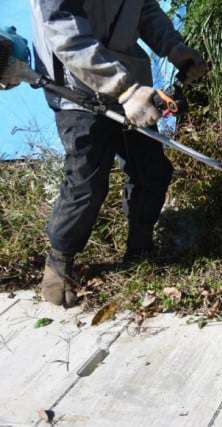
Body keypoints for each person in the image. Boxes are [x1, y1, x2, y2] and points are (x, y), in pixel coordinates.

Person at [30, 1, 206, 307]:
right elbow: (63, 30)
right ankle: (59, 262)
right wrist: (122, 88)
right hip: (77, 88)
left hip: (130, 80)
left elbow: (144, 8)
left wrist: (173, 46)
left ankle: (139, 250)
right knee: (86, 184)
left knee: (151, 169)